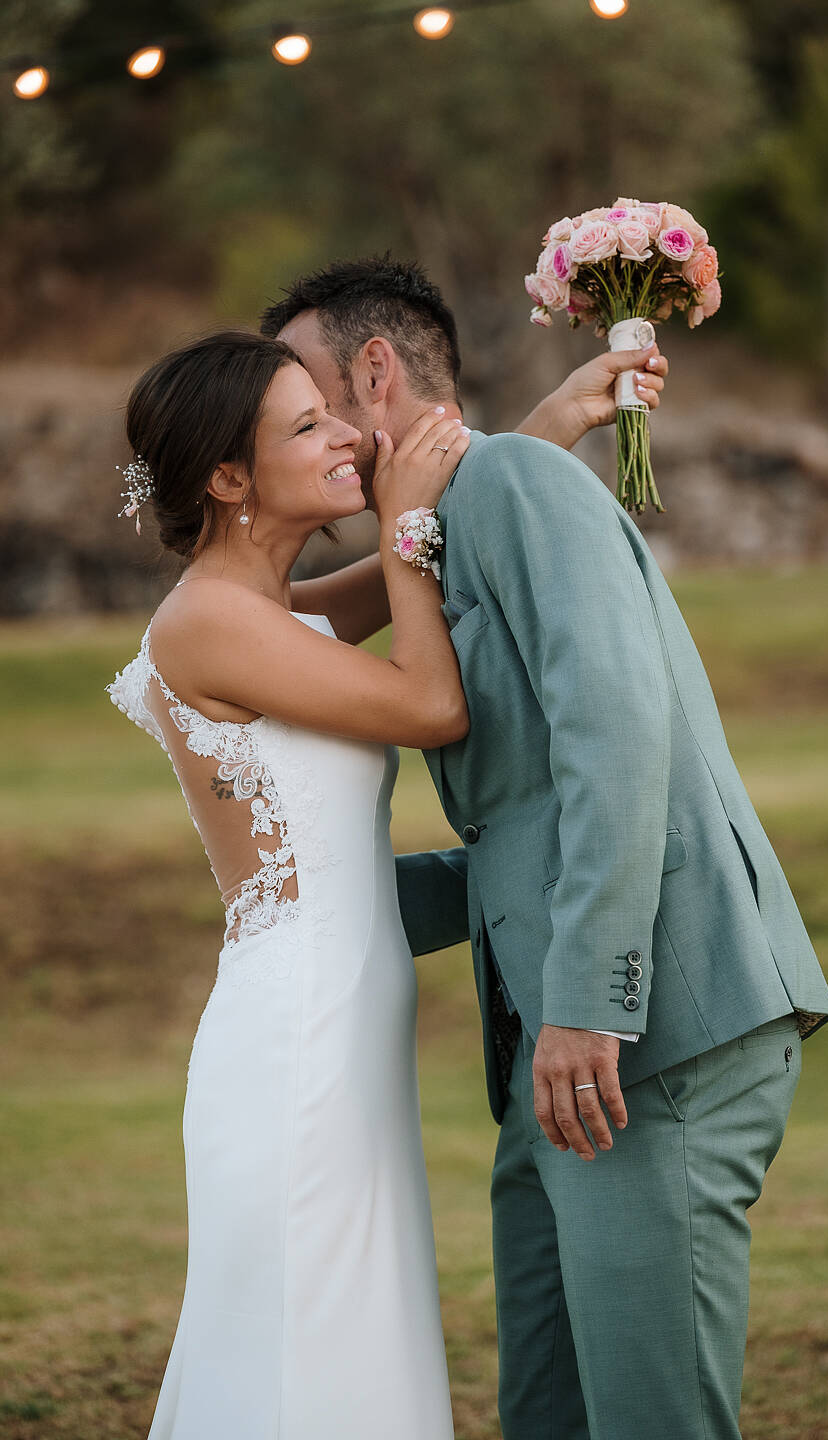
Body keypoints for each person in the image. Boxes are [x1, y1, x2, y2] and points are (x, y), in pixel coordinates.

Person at [260, 257, 828, 1440]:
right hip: (558, 1063)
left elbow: (618, 743)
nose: (306, 431)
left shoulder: (517, 483)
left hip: (650, 1036)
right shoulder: (452, 524)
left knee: (648, 1421)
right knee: (551, 1412)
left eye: (312, 400)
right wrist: (299, 904)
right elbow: (525, 839)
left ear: (378, 373)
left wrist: (589, 1004)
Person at [107, 327, 654, 1439]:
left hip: (343, 1034)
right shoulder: (207, 620)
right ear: (226, 477)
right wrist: (406, 531)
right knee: (298, 1351)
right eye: (307, 425)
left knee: (347, 1338)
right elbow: (429, 704)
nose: (350, 434)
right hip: (297, 1043)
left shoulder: (275, 612)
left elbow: (430, 547)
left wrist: (548, 425)